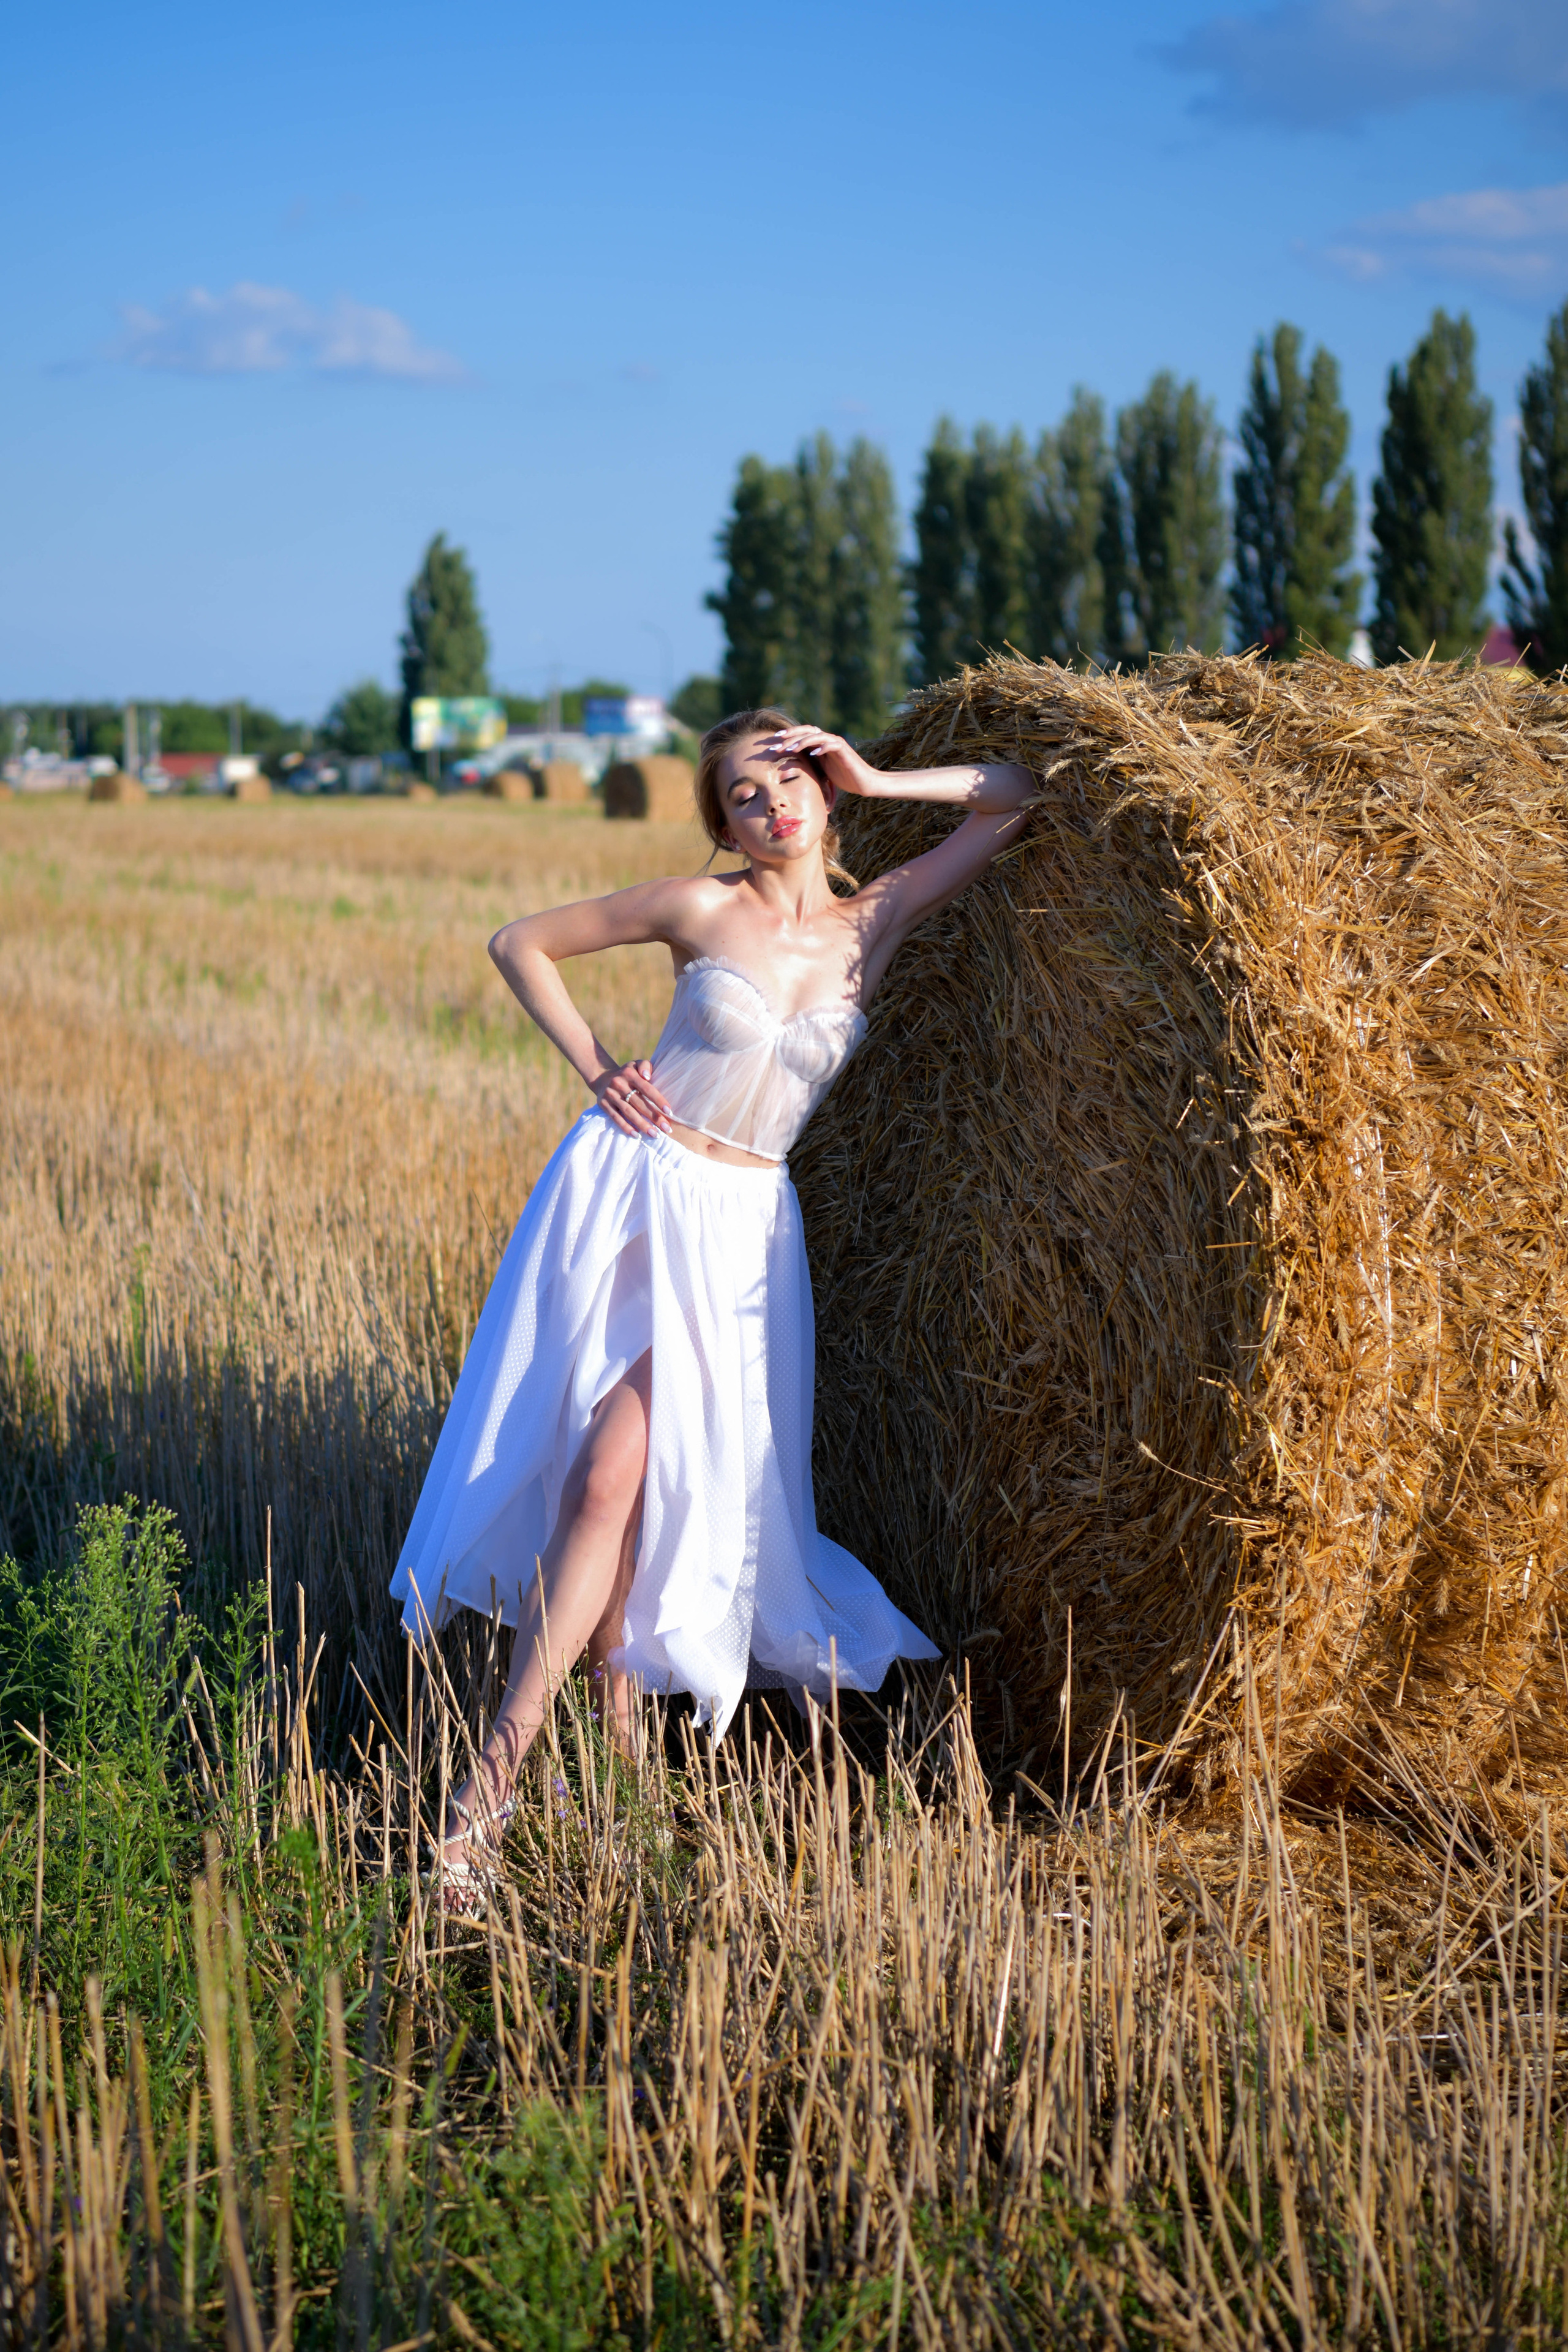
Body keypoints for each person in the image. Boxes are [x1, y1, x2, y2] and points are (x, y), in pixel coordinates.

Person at [391, 707, 1033, 1908]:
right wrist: (598, 1065)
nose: (773, 804)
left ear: (823, 794)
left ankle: (615, 1763)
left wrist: (878, 774)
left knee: (653, 1491)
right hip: (638, 1198)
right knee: (608, 1476)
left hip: (744, 1236)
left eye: (790, 779)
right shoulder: (699, 909)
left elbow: (1015, 795)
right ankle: (487, 1796)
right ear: (725, 826)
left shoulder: (873, 921)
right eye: (745, 794)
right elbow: (519, 942)